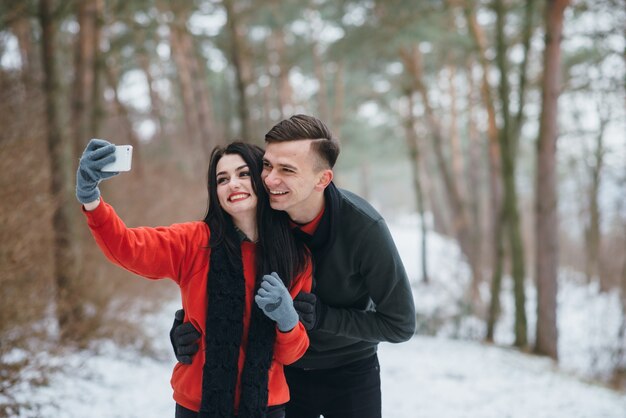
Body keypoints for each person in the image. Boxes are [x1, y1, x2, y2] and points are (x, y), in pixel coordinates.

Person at [172, 115, 416, 418]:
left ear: (322, 179)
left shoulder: (364, 229)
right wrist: (185, 326)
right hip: (282, 372)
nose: (270, 179)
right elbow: (223, 276)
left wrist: (322, 317)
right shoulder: (260, 217)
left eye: (287, 169)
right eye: (268, 165)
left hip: (350, 372)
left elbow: (400, 324)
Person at [76, 138, 313, 418]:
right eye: (222, 179)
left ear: (262, 180)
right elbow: (128, 247)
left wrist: (287, 320)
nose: (233, 184)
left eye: (243, 174)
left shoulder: (295, 257)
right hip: (198, 407)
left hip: (266, 407)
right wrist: (91, 198)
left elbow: (291, 355)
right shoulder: (195, 242)